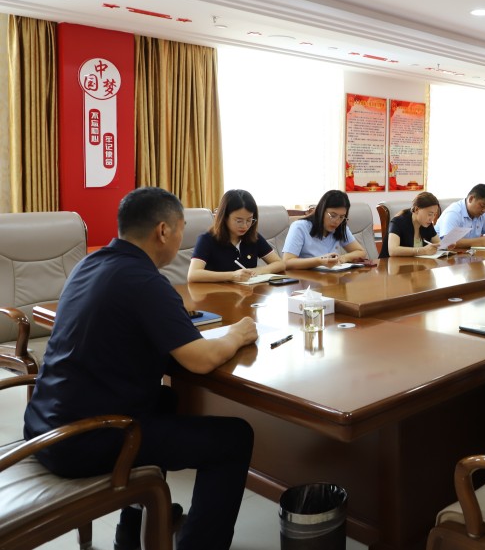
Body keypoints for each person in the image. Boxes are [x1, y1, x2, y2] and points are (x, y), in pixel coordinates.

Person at [23, 187, 258, 550]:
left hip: (44, 425)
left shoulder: (91, 264)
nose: (181, 239)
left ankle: (130, 533)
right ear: (163, 231)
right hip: (82, 441)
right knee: (235, 438)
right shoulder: (145, 281)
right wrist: (239, 333)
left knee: (164, 400)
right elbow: (200, 359)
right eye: (181, 229)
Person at [187, 189, 285, 282]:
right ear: (224, 217)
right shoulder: (207, 239)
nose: (245, 226)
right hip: (216, 292)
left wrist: (258, 271)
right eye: (239, 221)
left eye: (249, 220)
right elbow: (193, 274)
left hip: (248, 291)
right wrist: (233, 276)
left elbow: (280, 264)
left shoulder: (253, 237)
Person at [283, 189, 369, 269]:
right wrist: (319, 261)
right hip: (306, 278)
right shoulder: (300, 227)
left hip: (331, 277)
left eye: (341, 217)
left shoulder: (341, 227)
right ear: (321, 210)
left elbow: (361, 252)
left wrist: (343, 258)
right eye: (333, 215)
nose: (337, 221)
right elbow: (287, 262)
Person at [435, 183, 485, 248]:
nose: (484, 210)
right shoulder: (454, 212)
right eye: (482, 206)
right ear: (471, 199)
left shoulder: (482, 213)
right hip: (444, 253)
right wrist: (481, 241)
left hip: (468, 253)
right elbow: (448, 242)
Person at [380, 191, 442, 258]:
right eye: (430, 214)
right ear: (417, 209)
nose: (432, 218)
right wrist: (423, 250)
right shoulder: (398, 222)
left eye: (434, 214)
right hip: (389, 263)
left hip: (415, 263)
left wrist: (443, 246)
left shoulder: (427, 224)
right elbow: (393, 250)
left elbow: (438, 243)